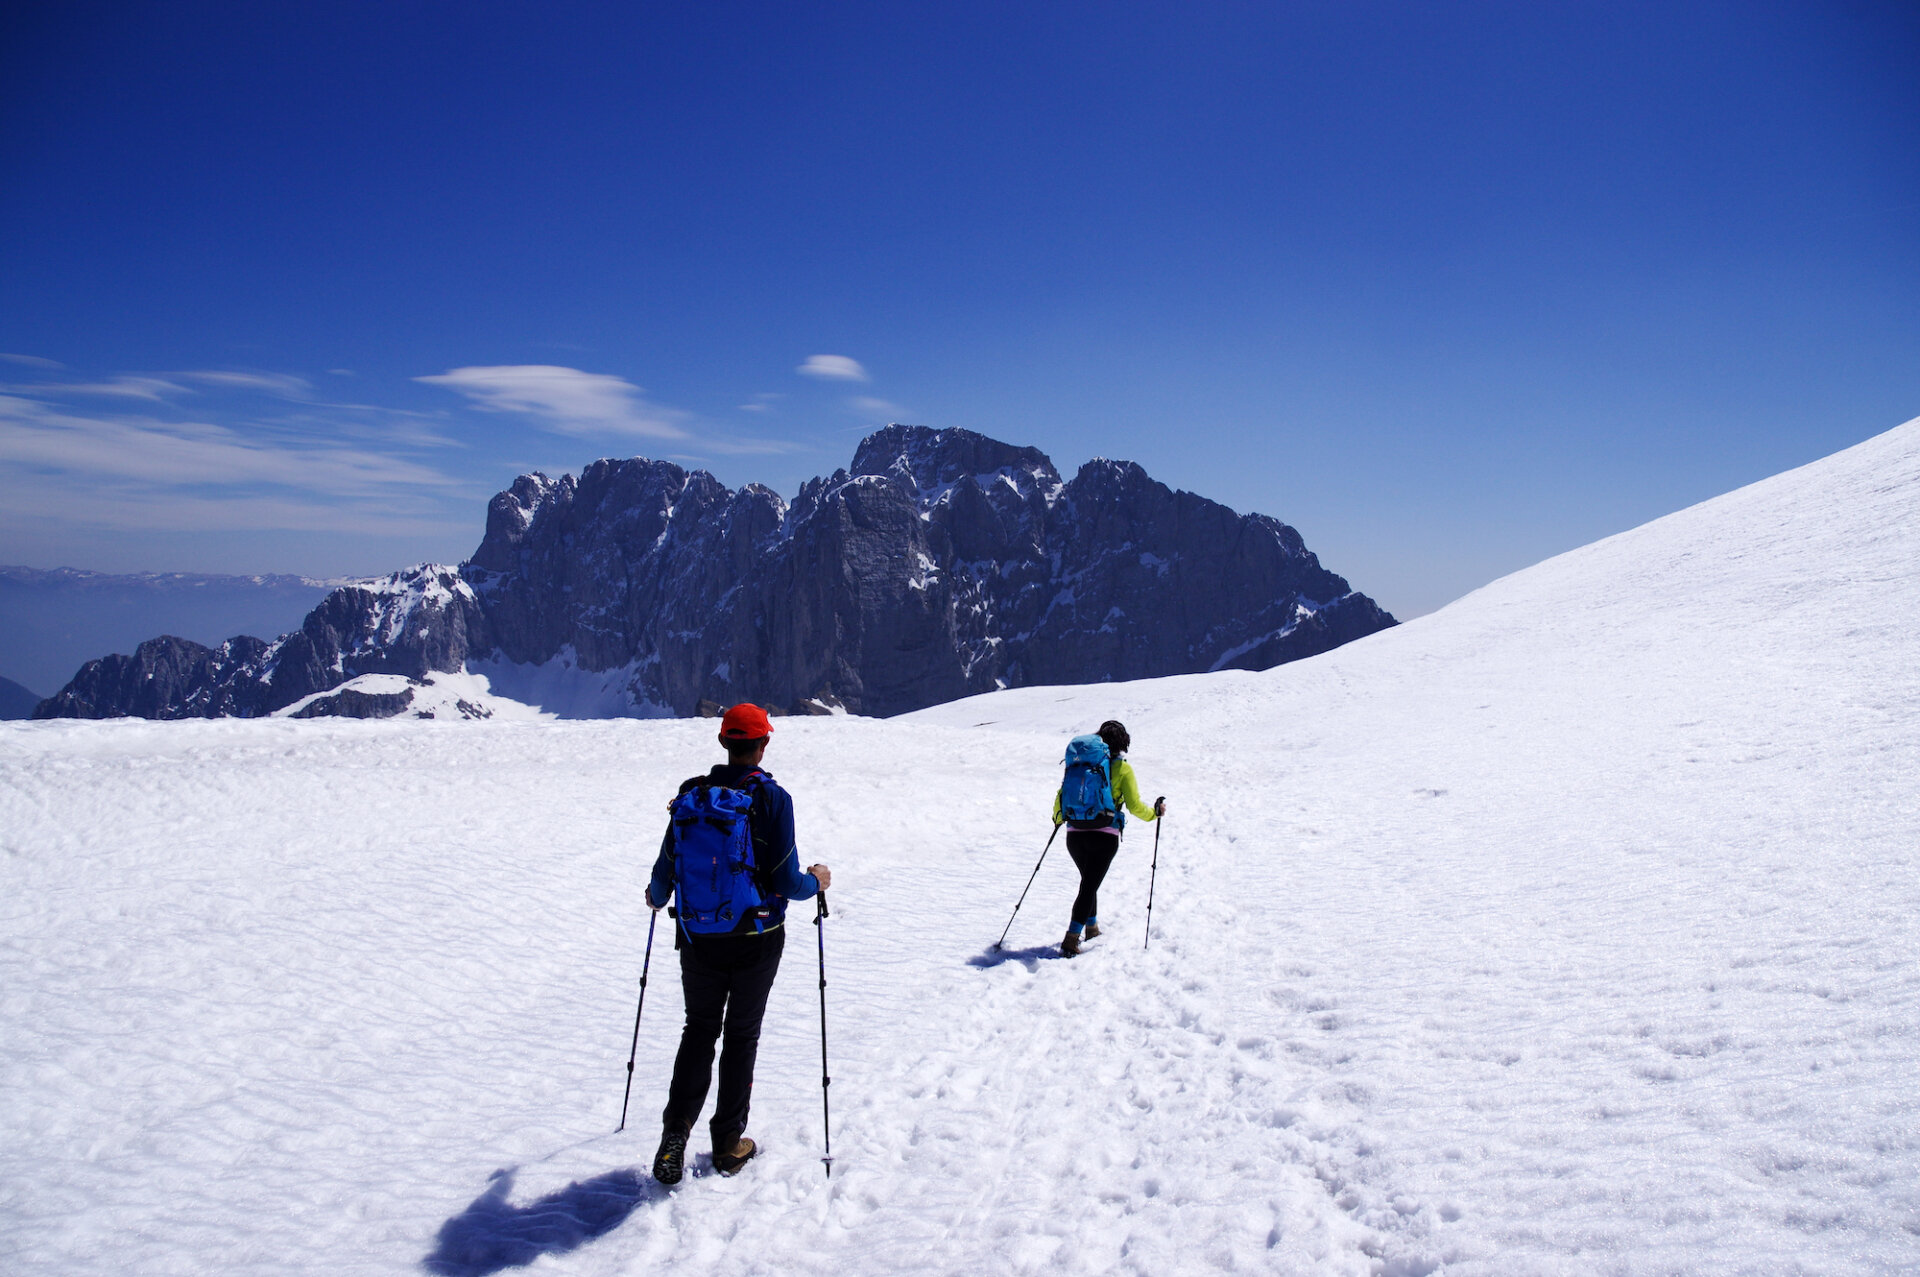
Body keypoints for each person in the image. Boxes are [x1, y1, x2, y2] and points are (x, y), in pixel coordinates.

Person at [644, 702, 831, 1184]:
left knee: (698, 1031)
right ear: (763, 744)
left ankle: (675, 1134)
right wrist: (817, 881)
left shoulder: (692, 796)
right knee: (741, 1037)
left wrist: (657, 895)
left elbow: (667, 864)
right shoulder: (772, 799)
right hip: (757, 937)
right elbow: (786, 880)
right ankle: (728, 1143)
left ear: (724, 742)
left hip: (698, 935)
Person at [1052, 719, 1164, 957]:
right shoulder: (1123, 768)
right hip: (1104, 836)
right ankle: (1072, 938)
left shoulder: (1080, 765)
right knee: (1089, 884)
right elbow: (1134, 806)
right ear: (1123, 743)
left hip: (1074, 835)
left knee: (1089, 881)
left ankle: (1092, 928)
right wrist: (1154, 814)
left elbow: (1062, 795)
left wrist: (1058, 819)